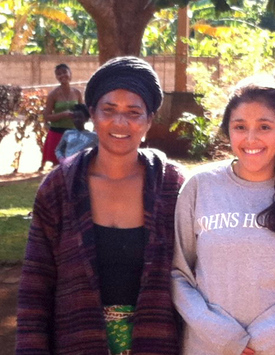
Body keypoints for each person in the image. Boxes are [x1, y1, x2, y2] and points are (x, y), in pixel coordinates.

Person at [16, 56, 184, 354]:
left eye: (134, 112)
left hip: (157, 343)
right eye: (109, 110)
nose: (120, 122)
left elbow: (197, 279)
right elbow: (35, 288)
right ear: (92, 113)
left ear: (149, 120)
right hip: (76, 342)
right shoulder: (59, 189)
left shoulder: (173, 187)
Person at [171, 78, 275, 355]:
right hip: (210, 348)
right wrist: (225, 337)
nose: (250, 139)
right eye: (240, 127)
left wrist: (264, 337)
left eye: (264, 127)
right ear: (228, 131)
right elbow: (179, 274)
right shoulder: (199, 187)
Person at [41, 63, 84, 169]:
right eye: (59, 74)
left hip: (73, 133)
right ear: (56, 77)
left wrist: (79, 115)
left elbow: (82, 111)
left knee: (73, 165)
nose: (62, 75)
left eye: (64, 72)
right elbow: (47, 116)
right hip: (57, 133)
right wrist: (63, 114)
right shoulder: (53, 94)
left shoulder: (77, 92)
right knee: (58, 166)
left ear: (70, 73)